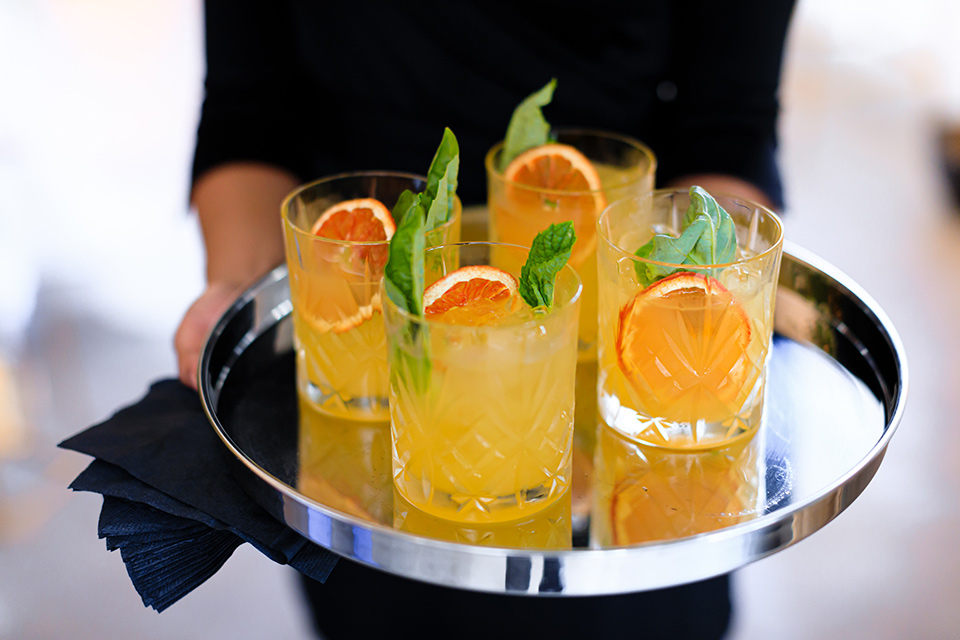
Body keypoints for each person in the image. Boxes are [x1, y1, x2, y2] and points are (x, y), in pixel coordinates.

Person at [176, 2, 795, 638]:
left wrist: (686, 319)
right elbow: (247, 110)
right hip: (374, 398)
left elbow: (727, 121)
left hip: (626, 530)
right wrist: (236, 285)